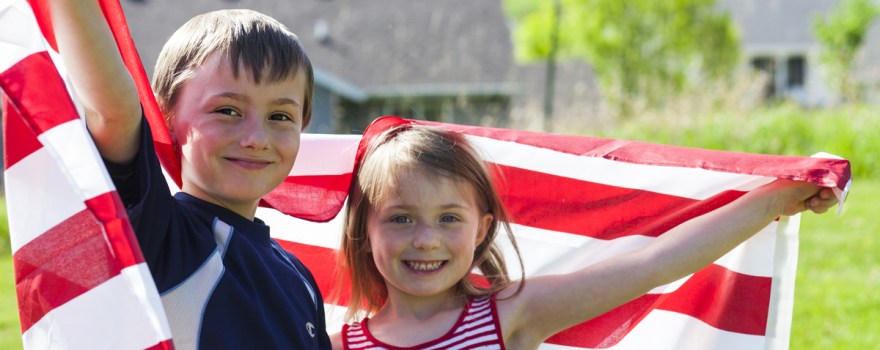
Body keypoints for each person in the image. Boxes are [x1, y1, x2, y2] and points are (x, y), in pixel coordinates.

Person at [331, 123, 839, 349]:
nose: (426, 239)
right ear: (364, 229)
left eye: (448, 218)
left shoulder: (510, 316)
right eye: (400, 218)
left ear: (483, 228)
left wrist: (779, 196)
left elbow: (653, 265)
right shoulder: (332, 346)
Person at [50, 1, 330, 348]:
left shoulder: (299, 278)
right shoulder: (159, 232)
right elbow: (113, 111)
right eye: (227, 110)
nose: (256, 138)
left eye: (280, 116)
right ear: (165, 116)